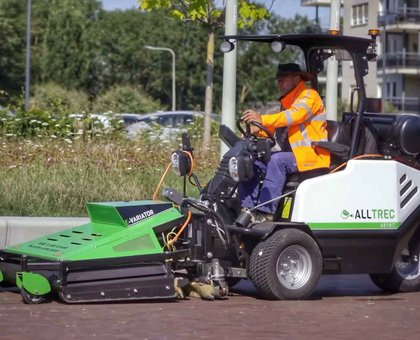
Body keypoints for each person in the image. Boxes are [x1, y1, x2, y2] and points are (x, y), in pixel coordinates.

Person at [240, 63, 330, 221]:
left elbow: (295, 116)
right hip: (295, 156)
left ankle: (265, 213)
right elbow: (278, 130)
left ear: (296, 79)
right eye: (278, 80)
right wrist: (258, 130)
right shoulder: (288, 103)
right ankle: (248, 209)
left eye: (282, 80)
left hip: (313, 156)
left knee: (277, 160)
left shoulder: (309, 96)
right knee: (252, 161)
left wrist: (263, 118)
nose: (279, 84)